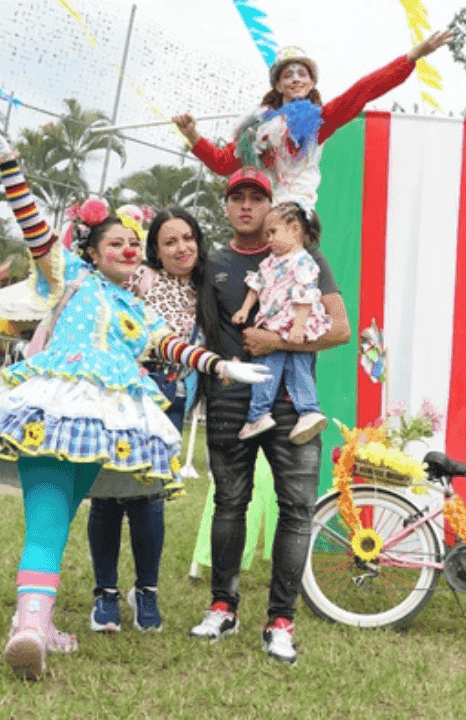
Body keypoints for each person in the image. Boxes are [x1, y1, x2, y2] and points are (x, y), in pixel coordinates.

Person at [0, 113, 271, 680]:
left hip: (98, 423)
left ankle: (36, 620)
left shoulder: (135, 308)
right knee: (50, 515)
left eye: (132, 244)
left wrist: (223, 366)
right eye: (116, 243)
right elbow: (32, 223)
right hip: (54, 405)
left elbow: (174, 347)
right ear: (93, 250)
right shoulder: (69, 276)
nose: (127, 250)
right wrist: (8, 161)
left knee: (54, 515)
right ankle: (30, 625)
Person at [189, 166, 351, 665]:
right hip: (230, 403)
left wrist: (276, 341)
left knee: (297, 509)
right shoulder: (212, 262)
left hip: (291, 409)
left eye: (256, 199)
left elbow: (340, 329)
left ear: (270, 208)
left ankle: (281, 620)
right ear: (226, 207)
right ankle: (223, 606)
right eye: (236, 198)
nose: (246, 207)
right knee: (230, 504)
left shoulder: (306, 258)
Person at [85, 205, 208, 634]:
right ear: (154, 250)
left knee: (148, 494)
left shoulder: (205, 288)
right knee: (106, 492)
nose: (181, 247)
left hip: (169, 399)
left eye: (187, 237)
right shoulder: (141, 278)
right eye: (168, 241)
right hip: (121, 391)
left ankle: (147, 592)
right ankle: (105, 593)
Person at [173, 31, 452, 208]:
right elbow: (224, 163)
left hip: (295, 213)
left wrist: (412, 57)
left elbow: (363, 90)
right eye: (288, 75)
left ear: (311, 83)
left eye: (302, 74)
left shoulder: (319, 121)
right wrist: (193, 136)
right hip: (259, 210)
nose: (295, 79)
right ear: (278, 86)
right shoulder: (255, 130)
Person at [231, 201, 331, 443]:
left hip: (295, 322)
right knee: (269, 368)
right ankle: (260, 414)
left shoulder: (302, 260)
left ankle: (308, 411)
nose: (269, 240)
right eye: (267, 234)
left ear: (295, 229)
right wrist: (245, 309)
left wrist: (299, 326)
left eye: (273, 232)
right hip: (275, 323)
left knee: (298, 368)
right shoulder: (271, 261)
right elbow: (257, 285)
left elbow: (307, 295)